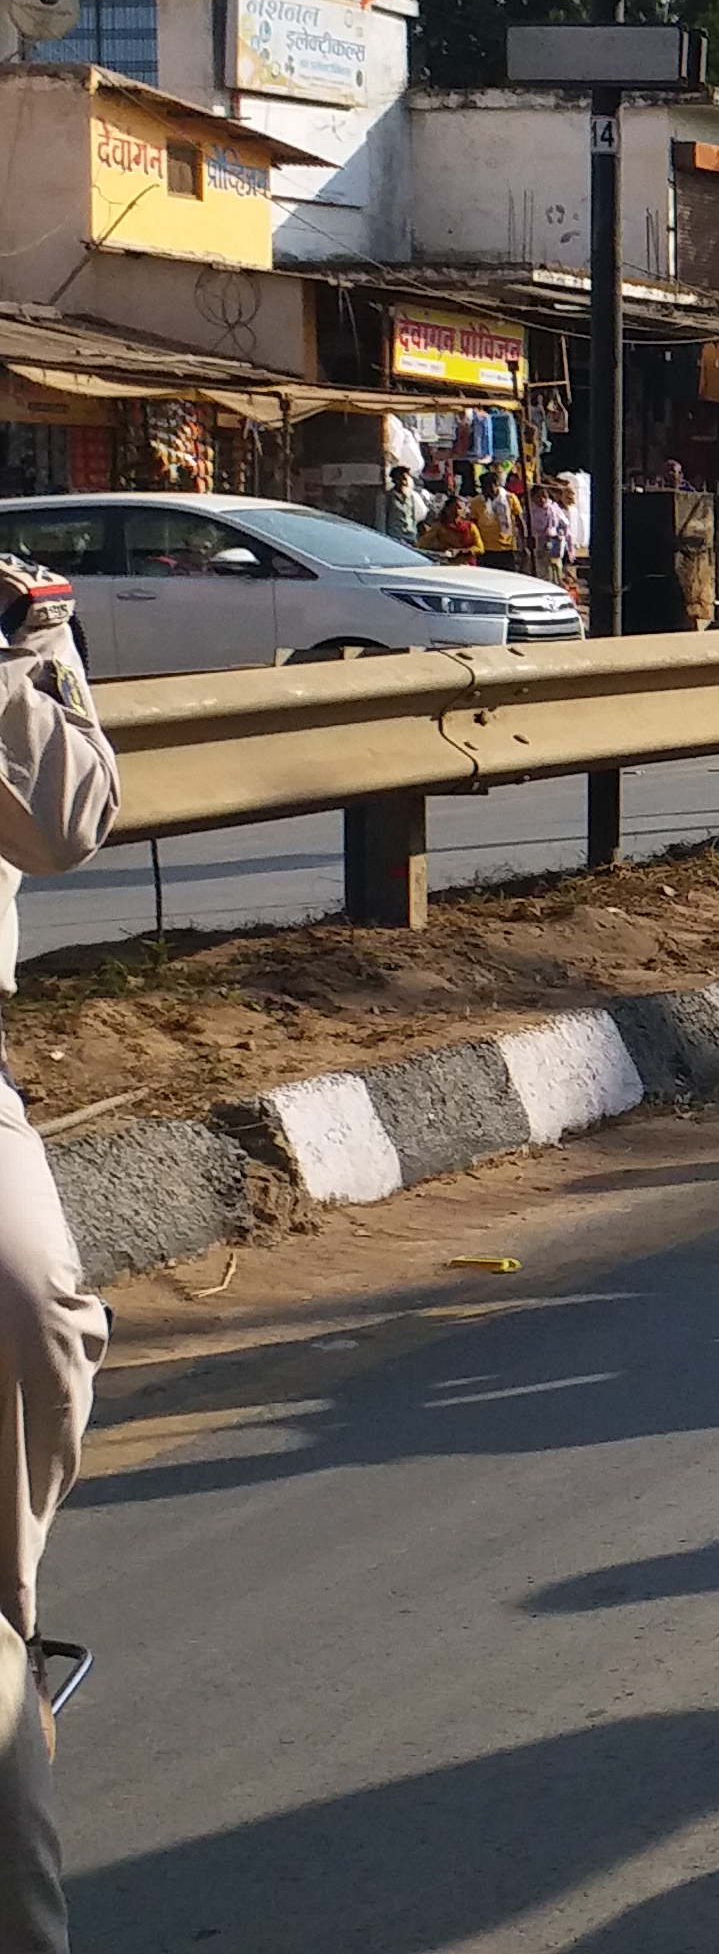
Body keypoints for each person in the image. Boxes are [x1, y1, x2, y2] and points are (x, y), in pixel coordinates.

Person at [0, 551, 116, 1949]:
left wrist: (21, 660)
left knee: (41, 1323)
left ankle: (12, 1619)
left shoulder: (22, 621)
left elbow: (72, 825)